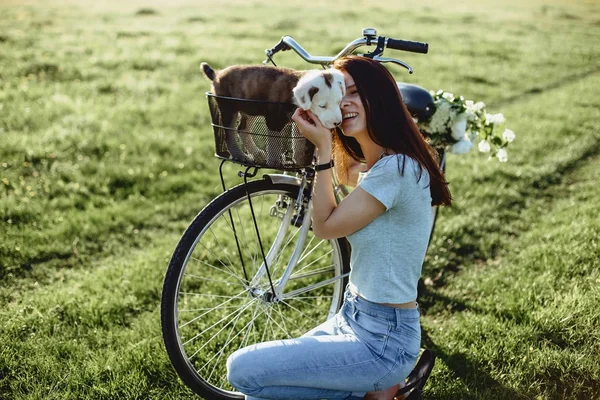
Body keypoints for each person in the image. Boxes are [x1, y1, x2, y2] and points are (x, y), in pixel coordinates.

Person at [226, 56, 452, 400]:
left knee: (241, 370)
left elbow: (326, 226)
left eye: (354, 93)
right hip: (351, 317)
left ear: (381, 98)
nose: (343, 102)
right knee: (259, 393)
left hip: (383, 341)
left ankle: (379, 391)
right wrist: (323, 123)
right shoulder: (380, 166)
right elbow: (343, 176)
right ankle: (381, 394)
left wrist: (321, 149)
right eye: (336, 94)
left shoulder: (397, 171)